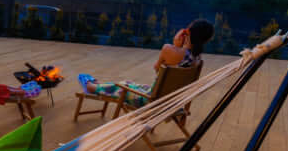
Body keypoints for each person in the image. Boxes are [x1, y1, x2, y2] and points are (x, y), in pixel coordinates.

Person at [78, 19, 214, 107]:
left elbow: (157, 69)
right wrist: (179, 47)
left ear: (187, 32)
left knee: (122, 87)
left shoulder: (169, 49)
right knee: (128, 83)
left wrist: (175, 44)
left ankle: (91, 87)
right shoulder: (197, 59)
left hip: (151, 101)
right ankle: (98, 85)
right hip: (171, 102)